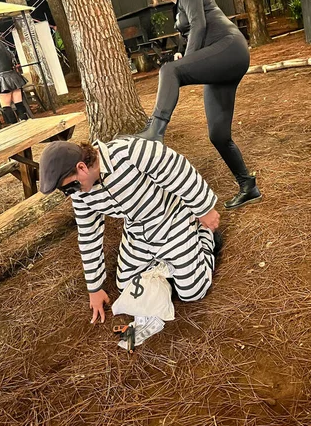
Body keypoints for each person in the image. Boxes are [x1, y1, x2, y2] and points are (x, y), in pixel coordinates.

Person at [39, 137, 221, 323]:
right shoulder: (81, 196)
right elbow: (88, 235)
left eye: (70, 187)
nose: (71, 193)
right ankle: (170, 261)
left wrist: (204, 209)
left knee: (193, 292)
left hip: (172, 217)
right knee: (125, 285)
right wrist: (94, 288)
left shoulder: (130, 152)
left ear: (82, 168)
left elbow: (178, 169)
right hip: (138, 230)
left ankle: (203, 236)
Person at [137, 0, 262, 210]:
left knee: (169, 71)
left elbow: (199, 26)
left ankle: (154, 133)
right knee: (218, 134)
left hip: (230, 49)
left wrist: (186, 63)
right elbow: (193, 32)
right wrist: (186, 56)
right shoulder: (178, 4)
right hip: (221, 63)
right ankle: (248, 186)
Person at [0, 32, 29, 125]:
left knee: (6, 106)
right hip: (14, 77)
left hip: (3, 79)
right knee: (19, 103)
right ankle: (26, 123)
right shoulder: (5, 49)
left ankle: (15, 126)